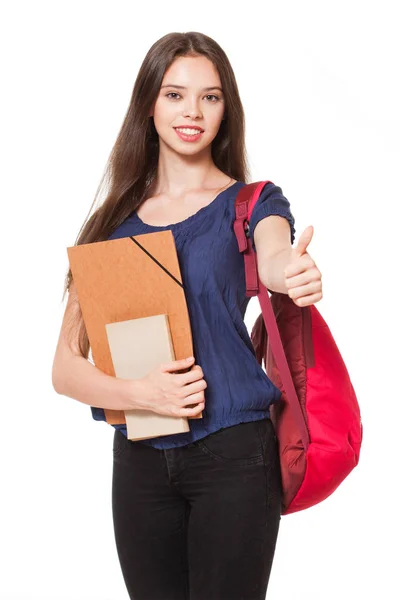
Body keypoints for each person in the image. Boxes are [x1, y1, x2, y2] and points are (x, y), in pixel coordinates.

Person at [52, 31, 323, 600]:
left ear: (227, 109)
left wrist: (285, 272)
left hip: (235, 454)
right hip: (140, 462)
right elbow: (64, 369)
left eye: (211, 97)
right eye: (175, 95)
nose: (193, 112)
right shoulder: (113, 224)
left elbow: (274, 255)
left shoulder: (252, 202)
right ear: (149, 104)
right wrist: (141, 393)